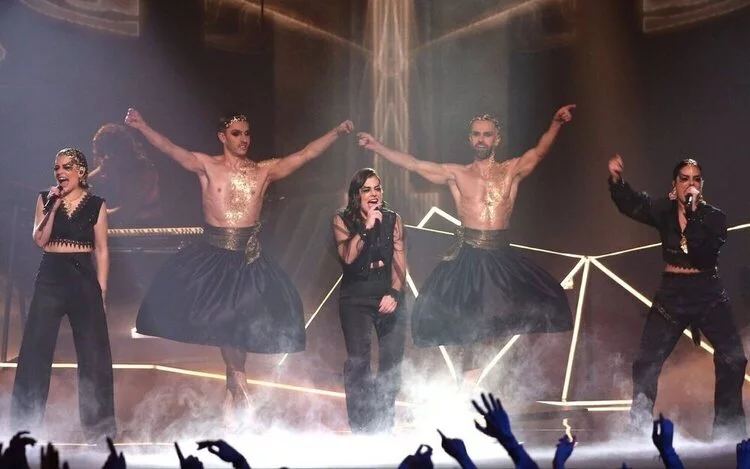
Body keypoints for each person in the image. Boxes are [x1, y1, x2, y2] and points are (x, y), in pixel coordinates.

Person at [124, 108, 353, 414]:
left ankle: (234, 386)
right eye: (236, 134)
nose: (243, 139)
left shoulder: (263, 171)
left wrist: (336, 132)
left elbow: (306, 154)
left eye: (247, 133)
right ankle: (238, 381)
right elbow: (169, 148)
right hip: (214, 257)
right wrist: (142, 126)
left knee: (240, 322)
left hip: (248, 258)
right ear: (222, 137)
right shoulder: (206, 165)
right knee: (226, 319)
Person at [356, 107, 576, 382]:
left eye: (487, 135)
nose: (481, 139)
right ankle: (469, 380)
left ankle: (499, 377)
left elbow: (539, 152)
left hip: (501, 255)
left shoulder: (511, 170)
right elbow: (414, 164)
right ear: (470, 139)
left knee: (538, 302)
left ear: (497, 139)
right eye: (476, 135)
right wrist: (377, 147)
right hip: (470, 256)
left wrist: (556, 123)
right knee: (465, 321)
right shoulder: (456, 174)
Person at [608, 154, 747, 438]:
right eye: (684, 179)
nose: (690, 184)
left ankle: (728, 431)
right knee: (646, 361)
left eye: (695, 179)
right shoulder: (664, 210)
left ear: (702, 185)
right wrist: (616, 180)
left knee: (733, 359)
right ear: (675, 184)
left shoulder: (714, 218)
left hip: (707, 292)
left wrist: (693, 214)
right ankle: (638, 428)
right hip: (672, 294)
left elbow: (702, 251)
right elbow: (633, 204)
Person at [11, 148, 116, 441]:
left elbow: (103, 251)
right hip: (51, 276)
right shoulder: (46, 199)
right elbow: (39, 240)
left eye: (66, 167)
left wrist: (101, 291)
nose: (60, 172)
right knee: (35, 351)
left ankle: (99, 431)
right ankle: (24, 427)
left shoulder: (96, 204)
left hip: (83, 278)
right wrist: (53, 207)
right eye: (56, 167)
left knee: (94, 354)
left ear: (81, 171)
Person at [332, 168, 407, 433]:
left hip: (386, 293)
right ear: (357, 195)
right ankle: (361, 426)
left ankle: (385, 423)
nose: (374, 194)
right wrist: (365, 228)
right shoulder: (342, 219)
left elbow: (399, 262)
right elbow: (348, 257)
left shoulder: (393, 219)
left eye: (377, 188)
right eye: (367, 190)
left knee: (392, 360)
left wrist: (395, 293)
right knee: (359, 362)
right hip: (355, 297)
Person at [89, 123, 163, 226]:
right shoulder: (112, 164)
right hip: (127, 226)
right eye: (103, 154)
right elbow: (83, 182)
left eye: (110, 154)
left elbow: (126, 212)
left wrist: (94, 214)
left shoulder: (144, 171)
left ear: (120, 151)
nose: (106, 158)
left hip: (149, 227)